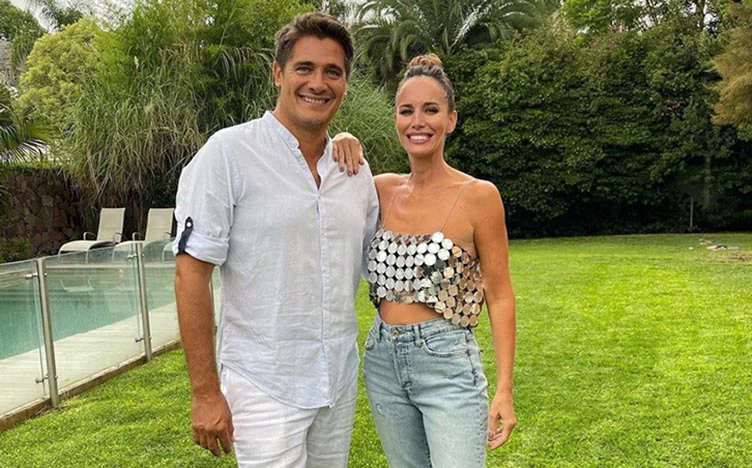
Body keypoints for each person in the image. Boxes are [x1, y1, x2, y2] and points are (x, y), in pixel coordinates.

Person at [172, 12, 379, 468]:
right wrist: (205, 392)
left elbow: (379, 261)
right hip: (264, 383)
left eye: (333, 72)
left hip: (337, 379)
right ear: (278, 73)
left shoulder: (354, 171)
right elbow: (190, 274)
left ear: (345, 84)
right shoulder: (228, 154)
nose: (318, 83)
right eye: (305, 68)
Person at [362, 54, 517, 467]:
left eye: (430, 110)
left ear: (451, 119)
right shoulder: (378, 189)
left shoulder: (479, 196)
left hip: (447, 362)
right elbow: (323, 181)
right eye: (406, 111)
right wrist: (344, 139)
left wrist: (504, 388)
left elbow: (500, 295)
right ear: (395, 119)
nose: (418, 122)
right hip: (382, 360)